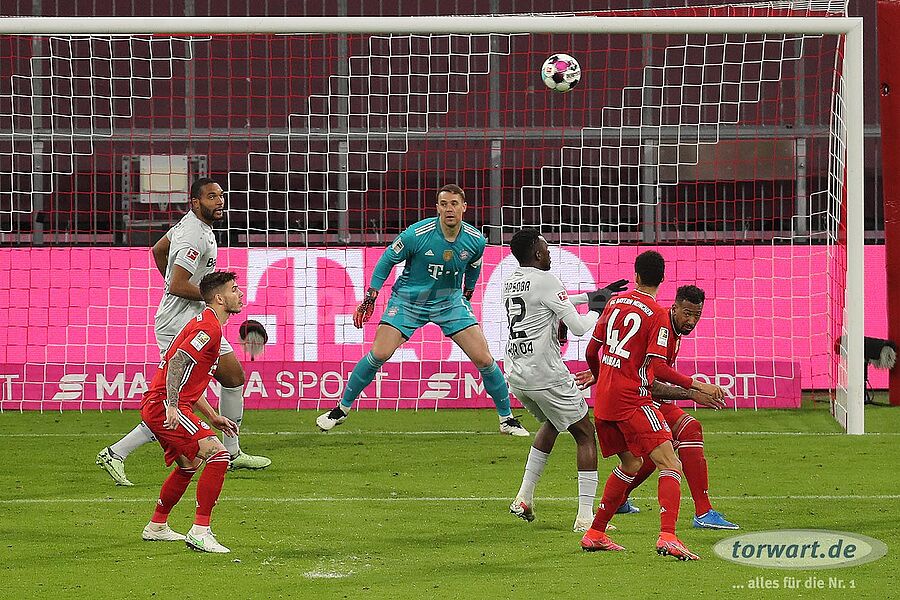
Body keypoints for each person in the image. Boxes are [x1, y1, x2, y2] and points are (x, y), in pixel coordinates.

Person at [316, 184, 528, 436]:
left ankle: (506, 419)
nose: (449, 209)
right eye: (444, 204)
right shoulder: (416, 234)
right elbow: (386, 260)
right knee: (379, 353)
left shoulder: (476, 240)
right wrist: (371, 297)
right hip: (408, 301)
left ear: (464, 207)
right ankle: (340, 410)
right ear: (437, 207)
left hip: (449, 302)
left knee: (484, 358)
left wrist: (468, 291)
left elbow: (474, 264)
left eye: (454, 204)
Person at [96, 178, 270, 486]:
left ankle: (232, 452)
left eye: (221, 196)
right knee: (177, 396)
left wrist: (198, 297)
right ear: (195, 202)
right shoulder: (192, 235)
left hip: (199, 319)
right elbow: (177, 285)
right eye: (212, 196)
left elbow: (158, 250)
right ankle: (116, 452)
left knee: (233, 377)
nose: (220, 201)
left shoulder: (194, 226)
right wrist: (214, 297)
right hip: (177, 323)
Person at [577, 251, 724, 560]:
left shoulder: (614, 303)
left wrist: (602, 376)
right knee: (670, 464)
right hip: (633, 399)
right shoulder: (657, 314)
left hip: (604, 400)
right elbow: (658, 368)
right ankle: (668, 536)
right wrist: (697, 385)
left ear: (636, 275)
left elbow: (591, 351)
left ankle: (595, 533)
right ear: (662, 279)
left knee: (631, 464)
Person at [503, 229, 627, 531]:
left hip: (517, 375)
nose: (549, 255)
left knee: (553, 422)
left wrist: (592, 295)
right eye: (546, 250)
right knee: (585, 433)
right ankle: (585, 517)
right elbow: (579, 327)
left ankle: (523, 497)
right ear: (537, 254)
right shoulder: (547, 280)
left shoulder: (512, 281)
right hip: (545, 375)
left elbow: (550, 302)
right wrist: (598, 309)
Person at [615, 285, 739, 530]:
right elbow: (653, 380)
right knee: (688, 429)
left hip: (637, 395)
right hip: (634, 400)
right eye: (687, 314)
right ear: (675, 308)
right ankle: (703, 512)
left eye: (697, 315)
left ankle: (619, 499)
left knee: (661, 448)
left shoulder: (672, 328)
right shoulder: (661, 326)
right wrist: (694, 391)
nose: (691, 321)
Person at [139, 271, 244, 553]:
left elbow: (189, 382)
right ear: (219, 298)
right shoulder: (208, 328)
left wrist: (212, 416)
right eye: (234, 289)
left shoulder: (208, 324)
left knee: (189, 464)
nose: (240, 294)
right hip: (164, 405)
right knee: (219, 455)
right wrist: (173, 405)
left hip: (164, 403)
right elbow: (177, 362)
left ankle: (156, 526)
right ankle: (200, 531)